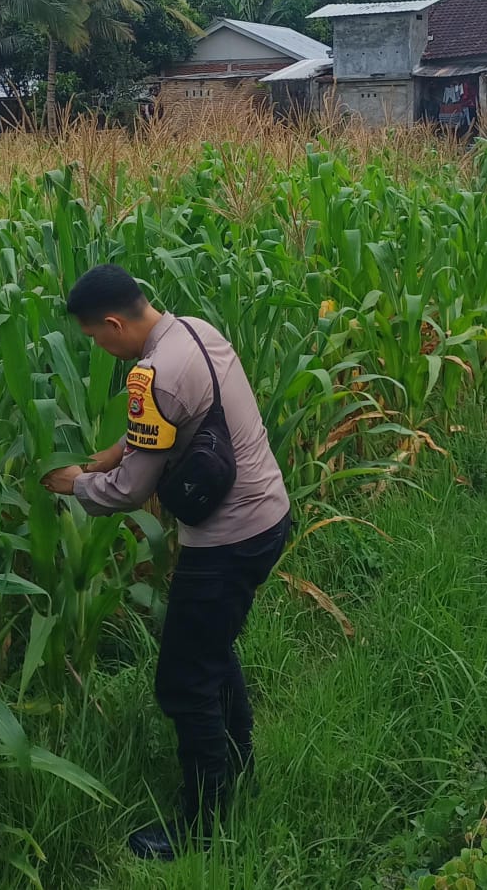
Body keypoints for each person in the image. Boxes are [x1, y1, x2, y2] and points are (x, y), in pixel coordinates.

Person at [41, 264, 291, 861]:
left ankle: (202, 826)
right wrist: (106, 455)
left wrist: (75, 484)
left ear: (113, 322)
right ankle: (239, 772)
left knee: (183, 681)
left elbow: (130, 491)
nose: (100, 350)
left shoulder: (151, 375)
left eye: (97, 339)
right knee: (211, 649)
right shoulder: (197, 333)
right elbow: (164, 429)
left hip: (226, 540)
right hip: (267, 517)